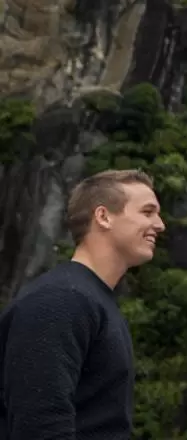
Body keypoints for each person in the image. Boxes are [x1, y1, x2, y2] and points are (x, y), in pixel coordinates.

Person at [0, 168, 165, 440]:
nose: (160, 224)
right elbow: (40, 425)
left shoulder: (89, 299)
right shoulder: (59, 300)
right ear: (103, 217)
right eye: (147, 212)